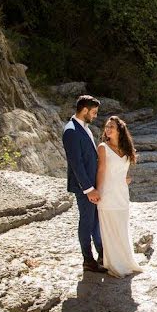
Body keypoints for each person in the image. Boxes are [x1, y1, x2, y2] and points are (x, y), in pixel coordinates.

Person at [62, 95, 107, 274]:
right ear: (85, 110)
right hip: (85, 188)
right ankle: (88, 260)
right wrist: (88, 189)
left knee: (96, 221)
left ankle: (102, 254)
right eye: (94, 112)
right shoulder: (71, 130)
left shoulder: (84, 128)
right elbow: (76, 164)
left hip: (92, 185)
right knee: (87, 222)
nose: (95, 116)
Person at [96, 115, 143, 278]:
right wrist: (98, 192)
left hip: (122, 193)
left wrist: (124, 179)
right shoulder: (103, 146)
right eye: (107, 126)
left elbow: (122, 170)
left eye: (112, 127)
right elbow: (101, 171)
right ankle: (115, 265)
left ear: (119, 131)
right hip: (107, 194)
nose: (108, 129)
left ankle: (128, 261)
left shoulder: (126, 147)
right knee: (109, 230)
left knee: (122, 228)